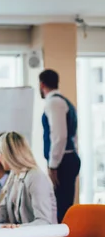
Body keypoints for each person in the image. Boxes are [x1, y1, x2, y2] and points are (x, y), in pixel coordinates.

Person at [39, 69, 81, 222]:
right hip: (69, 157)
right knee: (63, 204)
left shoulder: (54, 102)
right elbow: (72, 136)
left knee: (60, 208)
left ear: (42, 84)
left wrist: (53, 165)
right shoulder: (64, 101)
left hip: (63, 161)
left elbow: (59, 136)